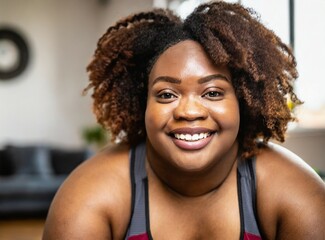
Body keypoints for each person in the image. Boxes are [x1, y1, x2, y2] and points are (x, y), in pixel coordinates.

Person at [43, 1, 325, 239]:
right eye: (166, 95)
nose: (189, 112)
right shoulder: (89, 195)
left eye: (213, 92)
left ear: (243, 101)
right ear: (143, 104)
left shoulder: (296, 193)